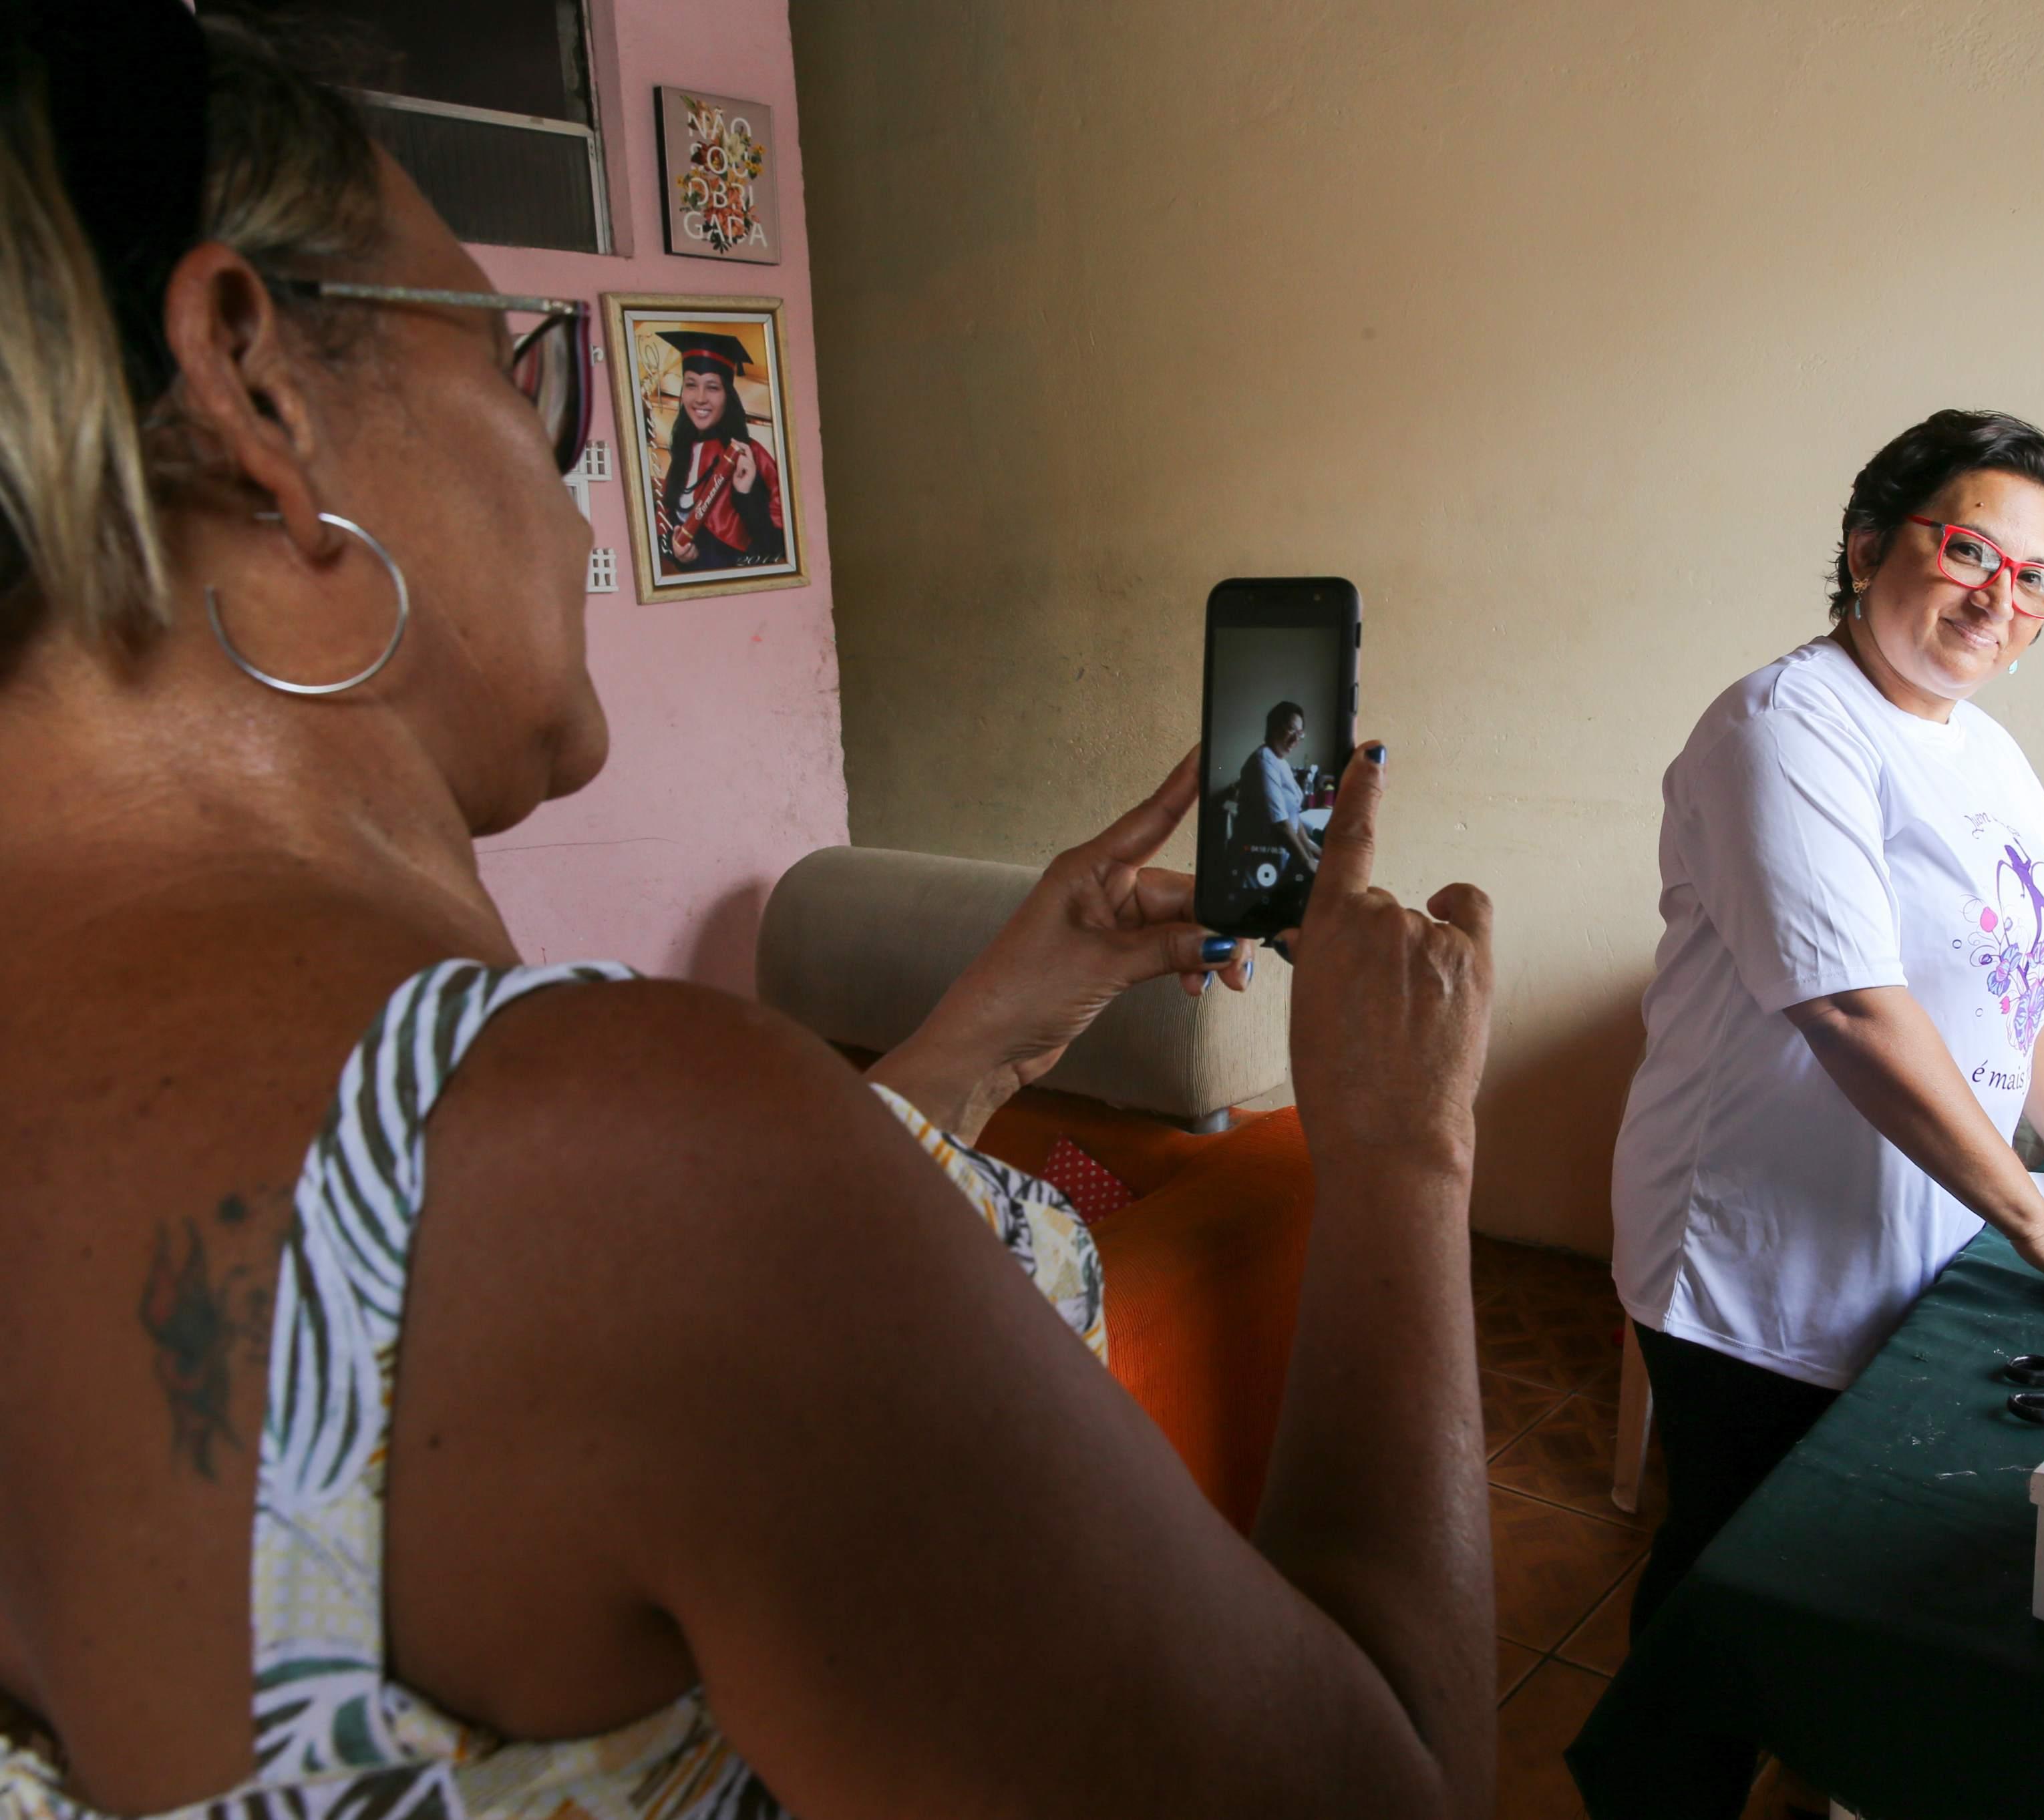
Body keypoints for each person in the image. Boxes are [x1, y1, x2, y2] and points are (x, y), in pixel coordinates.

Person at [0, 9, 1498, 1817]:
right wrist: (1404, 1149)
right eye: (524, 368)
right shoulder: (611, 1156)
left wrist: (974, 1043)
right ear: (258, 387)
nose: (571, 495)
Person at [1609, 409, 2044, 1647]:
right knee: (1728, 1576)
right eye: (1966, 551)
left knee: (1839, 1572)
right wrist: (2035, 1224)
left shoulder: (1987, 753)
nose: (1996, 599)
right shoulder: (1783, 729)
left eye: (2035, 581)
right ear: (1864, 549)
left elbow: (2032, 975)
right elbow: (1853, 1008)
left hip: (1918, 1222)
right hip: (1760, 1252)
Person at [657, 331, 786, 573]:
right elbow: (662, 528)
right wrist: (680, 555)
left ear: (728, 395)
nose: (700, 399)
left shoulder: (751, 454)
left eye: (713, 387)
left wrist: (746, 494)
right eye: (691, 385)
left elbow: (777, 546)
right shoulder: (682, 454)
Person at [1238, 699, 1325, 875]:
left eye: (1300, 733)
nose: (1296, 739)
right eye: (1291, 729)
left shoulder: (1280, 761)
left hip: (1279, 862)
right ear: (1274, 727)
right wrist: (1308, 863)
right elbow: (1280, 825)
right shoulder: (1264, 760)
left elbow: (1293, 818)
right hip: (1258, 867)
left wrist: (1314, 852)